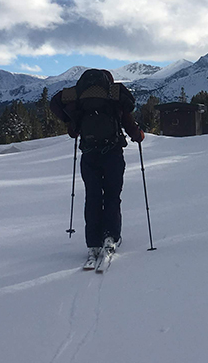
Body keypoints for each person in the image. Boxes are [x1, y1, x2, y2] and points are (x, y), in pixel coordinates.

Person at [50, 69, 144, 269]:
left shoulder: (79, 98)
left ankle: (92, 242)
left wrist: (72, 122)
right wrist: (138, 135)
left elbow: (71, 129)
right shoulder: (114, 96)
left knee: (92, 196)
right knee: (112, 195)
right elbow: (129, 123)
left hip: (89, 154)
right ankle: (111, 237)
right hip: (113, 153)